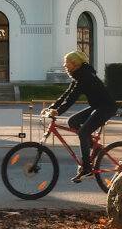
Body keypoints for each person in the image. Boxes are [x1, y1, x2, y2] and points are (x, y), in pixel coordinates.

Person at [49, 50, 118, 183]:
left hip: (106, 107)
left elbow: (72, 98)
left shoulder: (84, 76)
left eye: (67, 63)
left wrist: (58, 111)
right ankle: (96, 149)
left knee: (83, 132)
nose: (64, 65)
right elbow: (67, 93)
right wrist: (53, 107)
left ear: (75, 64)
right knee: (73, 121)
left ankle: (87, 169)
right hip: (98, 106)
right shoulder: (79, 74)